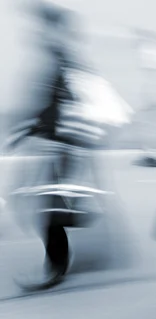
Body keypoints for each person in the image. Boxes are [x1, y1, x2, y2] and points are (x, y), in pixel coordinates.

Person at [4, 2, 105, 290]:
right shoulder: (59, 60)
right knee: (50, 206)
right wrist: (28, 130)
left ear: (55, 30)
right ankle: (60, 263)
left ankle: (56, 268)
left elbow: (65, 107)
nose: (38, 33)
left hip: (62, 146)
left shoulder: (64, 62)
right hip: (56, 144)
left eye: (43, 27)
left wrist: (43, 133)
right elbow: (51, 107)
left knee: (49, 208)